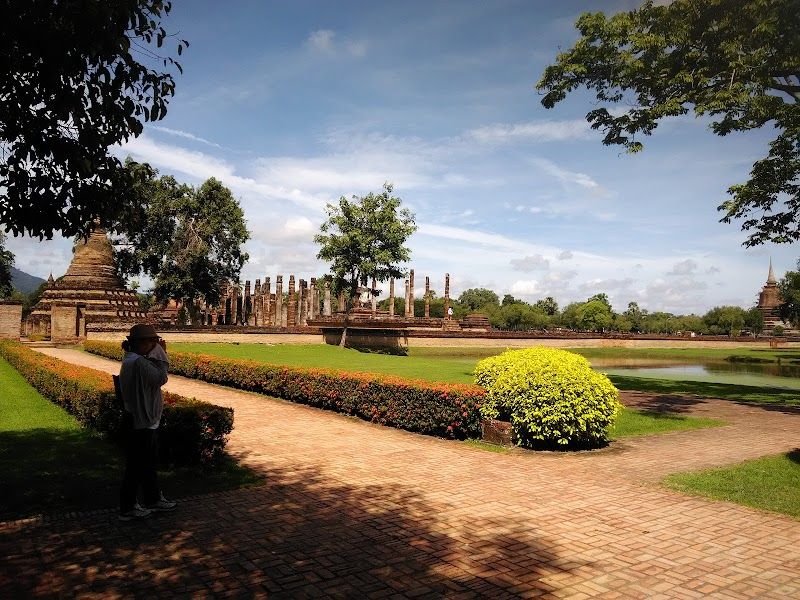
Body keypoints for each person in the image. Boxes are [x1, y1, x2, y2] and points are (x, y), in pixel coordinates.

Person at [118, 324, 177, 521]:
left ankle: (152, 498)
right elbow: (161, 378)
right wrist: (162, 354)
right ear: (141, 343)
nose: (154, 345)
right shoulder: (138, 362)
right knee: (137, 464)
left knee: (147, 462)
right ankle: (128, 507)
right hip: (141, 421)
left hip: (140, 418)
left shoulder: (133, 360)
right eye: (151, 342)